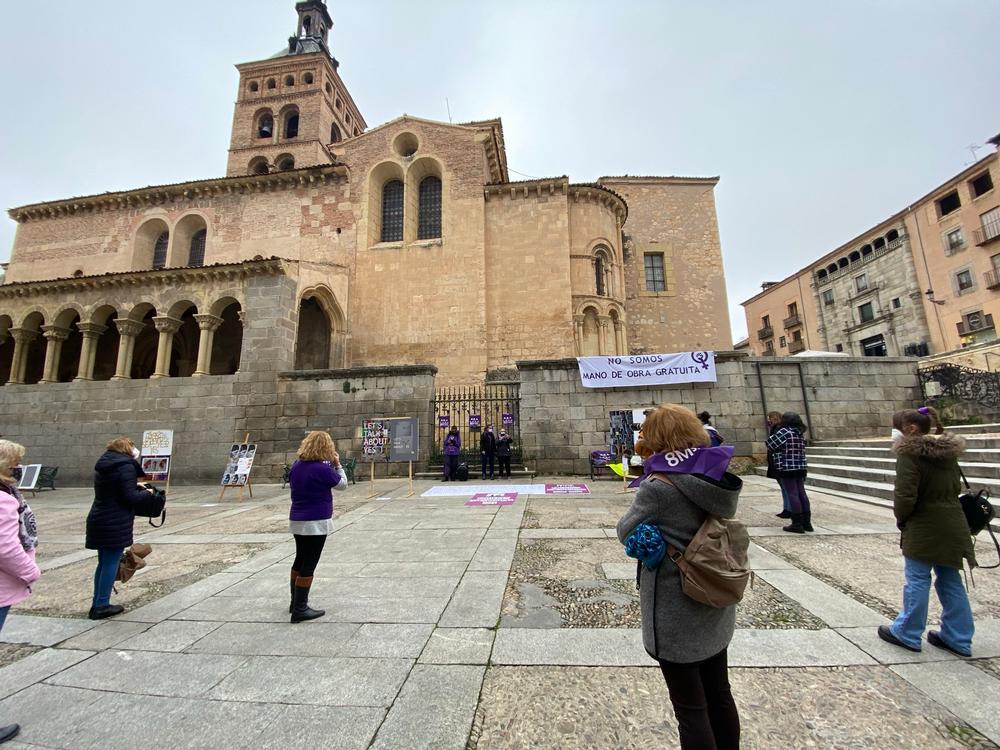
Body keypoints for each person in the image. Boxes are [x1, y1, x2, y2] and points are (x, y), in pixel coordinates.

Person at [617, 404, 741, 750]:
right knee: (719, 695)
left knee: (690, 709)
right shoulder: (714, 474)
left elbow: (625, 529)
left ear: (659, 438)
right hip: (714, 600)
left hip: (677, 608)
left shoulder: (659, 485)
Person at [878, 409, 976, 656]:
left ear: (911, 428)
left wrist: (902, 519)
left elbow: (905, 495)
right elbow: (954, 487)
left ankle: (907, 632)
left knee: (918, 579)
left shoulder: (910, 454)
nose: (894, 433)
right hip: (953, 522)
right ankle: (959, 637)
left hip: (925, 523)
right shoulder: (947, 453)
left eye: (897, 427)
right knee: (951, 579)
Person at [86, 438, 156, 620]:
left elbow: (115, 489)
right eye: (133, 446)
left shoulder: (106, 464)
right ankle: (101, 605)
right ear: (127, 448)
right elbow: (129, 497)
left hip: (100, 517)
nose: (135, 449)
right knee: (111, 562)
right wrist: (146, 493)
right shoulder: (125, 466)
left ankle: (97, 603)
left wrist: (134, 486)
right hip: (114, 520)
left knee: (104, 563)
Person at [0, 440, 39, 745]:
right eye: (15, 463)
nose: (19, 468)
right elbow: (6, 547)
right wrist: (30, 571)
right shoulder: (3, 499)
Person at [287, 431, 347, 623]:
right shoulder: (322, 469)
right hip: (316, 521)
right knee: (309, 563)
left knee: (300, 558)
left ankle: (294, 602)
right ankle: (300, 609)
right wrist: (338, 464)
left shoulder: (296, 466)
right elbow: (342, 485)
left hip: (297, 518)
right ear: (326, 448)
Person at [766, 412, 812, 533]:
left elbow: (770, 444)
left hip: (787, 466)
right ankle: (807, 523)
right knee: (802, 493)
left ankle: (797, 524)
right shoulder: (799, 432)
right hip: (801, 466)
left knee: (792, 493)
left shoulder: (784, 431)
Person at [765, 411, 792, 518]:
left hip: (780, 462)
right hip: (776, 462)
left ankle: (789, 509)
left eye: (769, 418)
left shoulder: (779, 430)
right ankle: (787, 508)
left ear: (774, 418)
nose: (768, 421)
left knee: (786, 487)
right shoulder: (777, 429)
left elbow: (772, 444)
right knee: (784, 487)